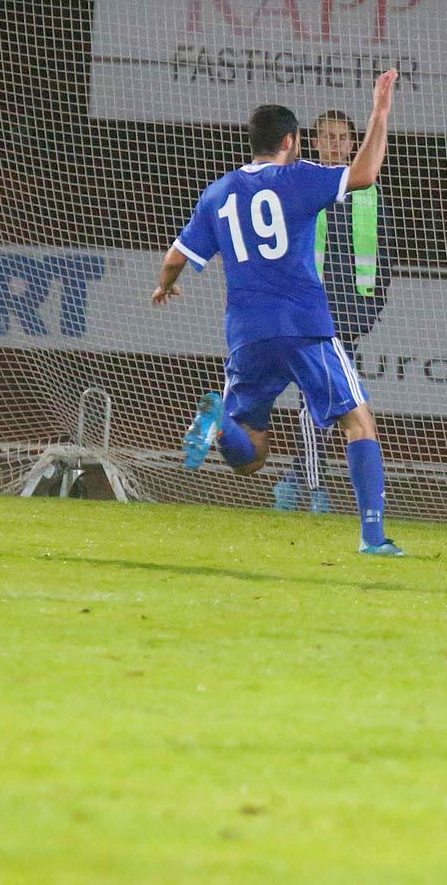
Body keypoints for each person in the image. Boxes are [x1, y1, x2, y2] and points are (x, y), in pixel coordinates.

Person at [154, 69, 404, 557]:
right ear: (291, 141)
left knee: (251, 459)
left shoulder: (218, 193)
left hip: (247, 335)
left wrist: (165, 288)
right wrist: (380, 112)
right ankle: (373, 538)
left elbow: (175, 256)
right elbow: (365, 174)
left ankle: (220, 425)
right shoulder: (299, 177)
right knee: (359, 424)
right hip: (305, 327)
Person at [272, 108, 393, 515]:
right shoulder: (301, 185)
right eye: (329, 137)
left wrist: (370, 308)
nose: (337, 143)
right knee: (318, 399)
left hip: (349, 317)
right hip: (308, 311)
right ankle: (313, 485)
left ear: (353, 143)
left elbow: (385, 256)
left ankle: (296, 479)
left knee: (325, 400)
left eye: (344, 137)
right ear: (316, 141)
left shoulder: (370, 191)